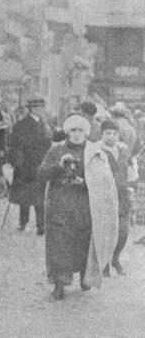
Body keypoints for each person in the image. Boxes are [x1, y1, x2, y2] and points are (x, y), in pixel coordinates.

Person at [38, 115, 118, 300]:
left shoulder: (94, 152)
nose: (76, 134)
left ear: (86, 132)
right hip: (60, 206)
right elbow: (41, 174)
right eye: (72, 130)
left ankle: (85, 276)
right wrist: (59, 166)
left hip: (85, 206)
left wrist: (84, 182)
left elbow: (104, 181)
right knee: (59, 246)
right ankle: (59, 285)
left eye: (80, 130)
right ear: (67, 132)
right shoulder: (56, 150)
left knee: (83, 244)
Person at [8, 97, 52, 235]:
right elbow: (15, 145)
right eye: (39, 107)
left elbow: (49, 144)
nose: (41, 110)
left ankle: (41, 224)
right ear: (32, 108)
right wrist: (18, 162)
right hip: (25, 165)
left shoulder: (45, 125)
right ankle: (23, 221)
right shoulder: (21, 125)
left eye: (42, 107)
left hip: (41, 164)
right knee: (24, 196)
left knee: (40, 196)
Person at [98, 120, 137, 277]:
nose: (111, 137)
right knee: (106, 230)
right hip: (105, 195)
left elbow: (130, 173)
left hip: (122, 194)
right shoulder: (97, 151)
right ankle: (105, 262)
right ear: (102, 134)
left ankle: (115, 258)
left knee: (123, 231)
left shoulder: (122, 150)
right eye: (108, 133)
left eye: (114, 134)